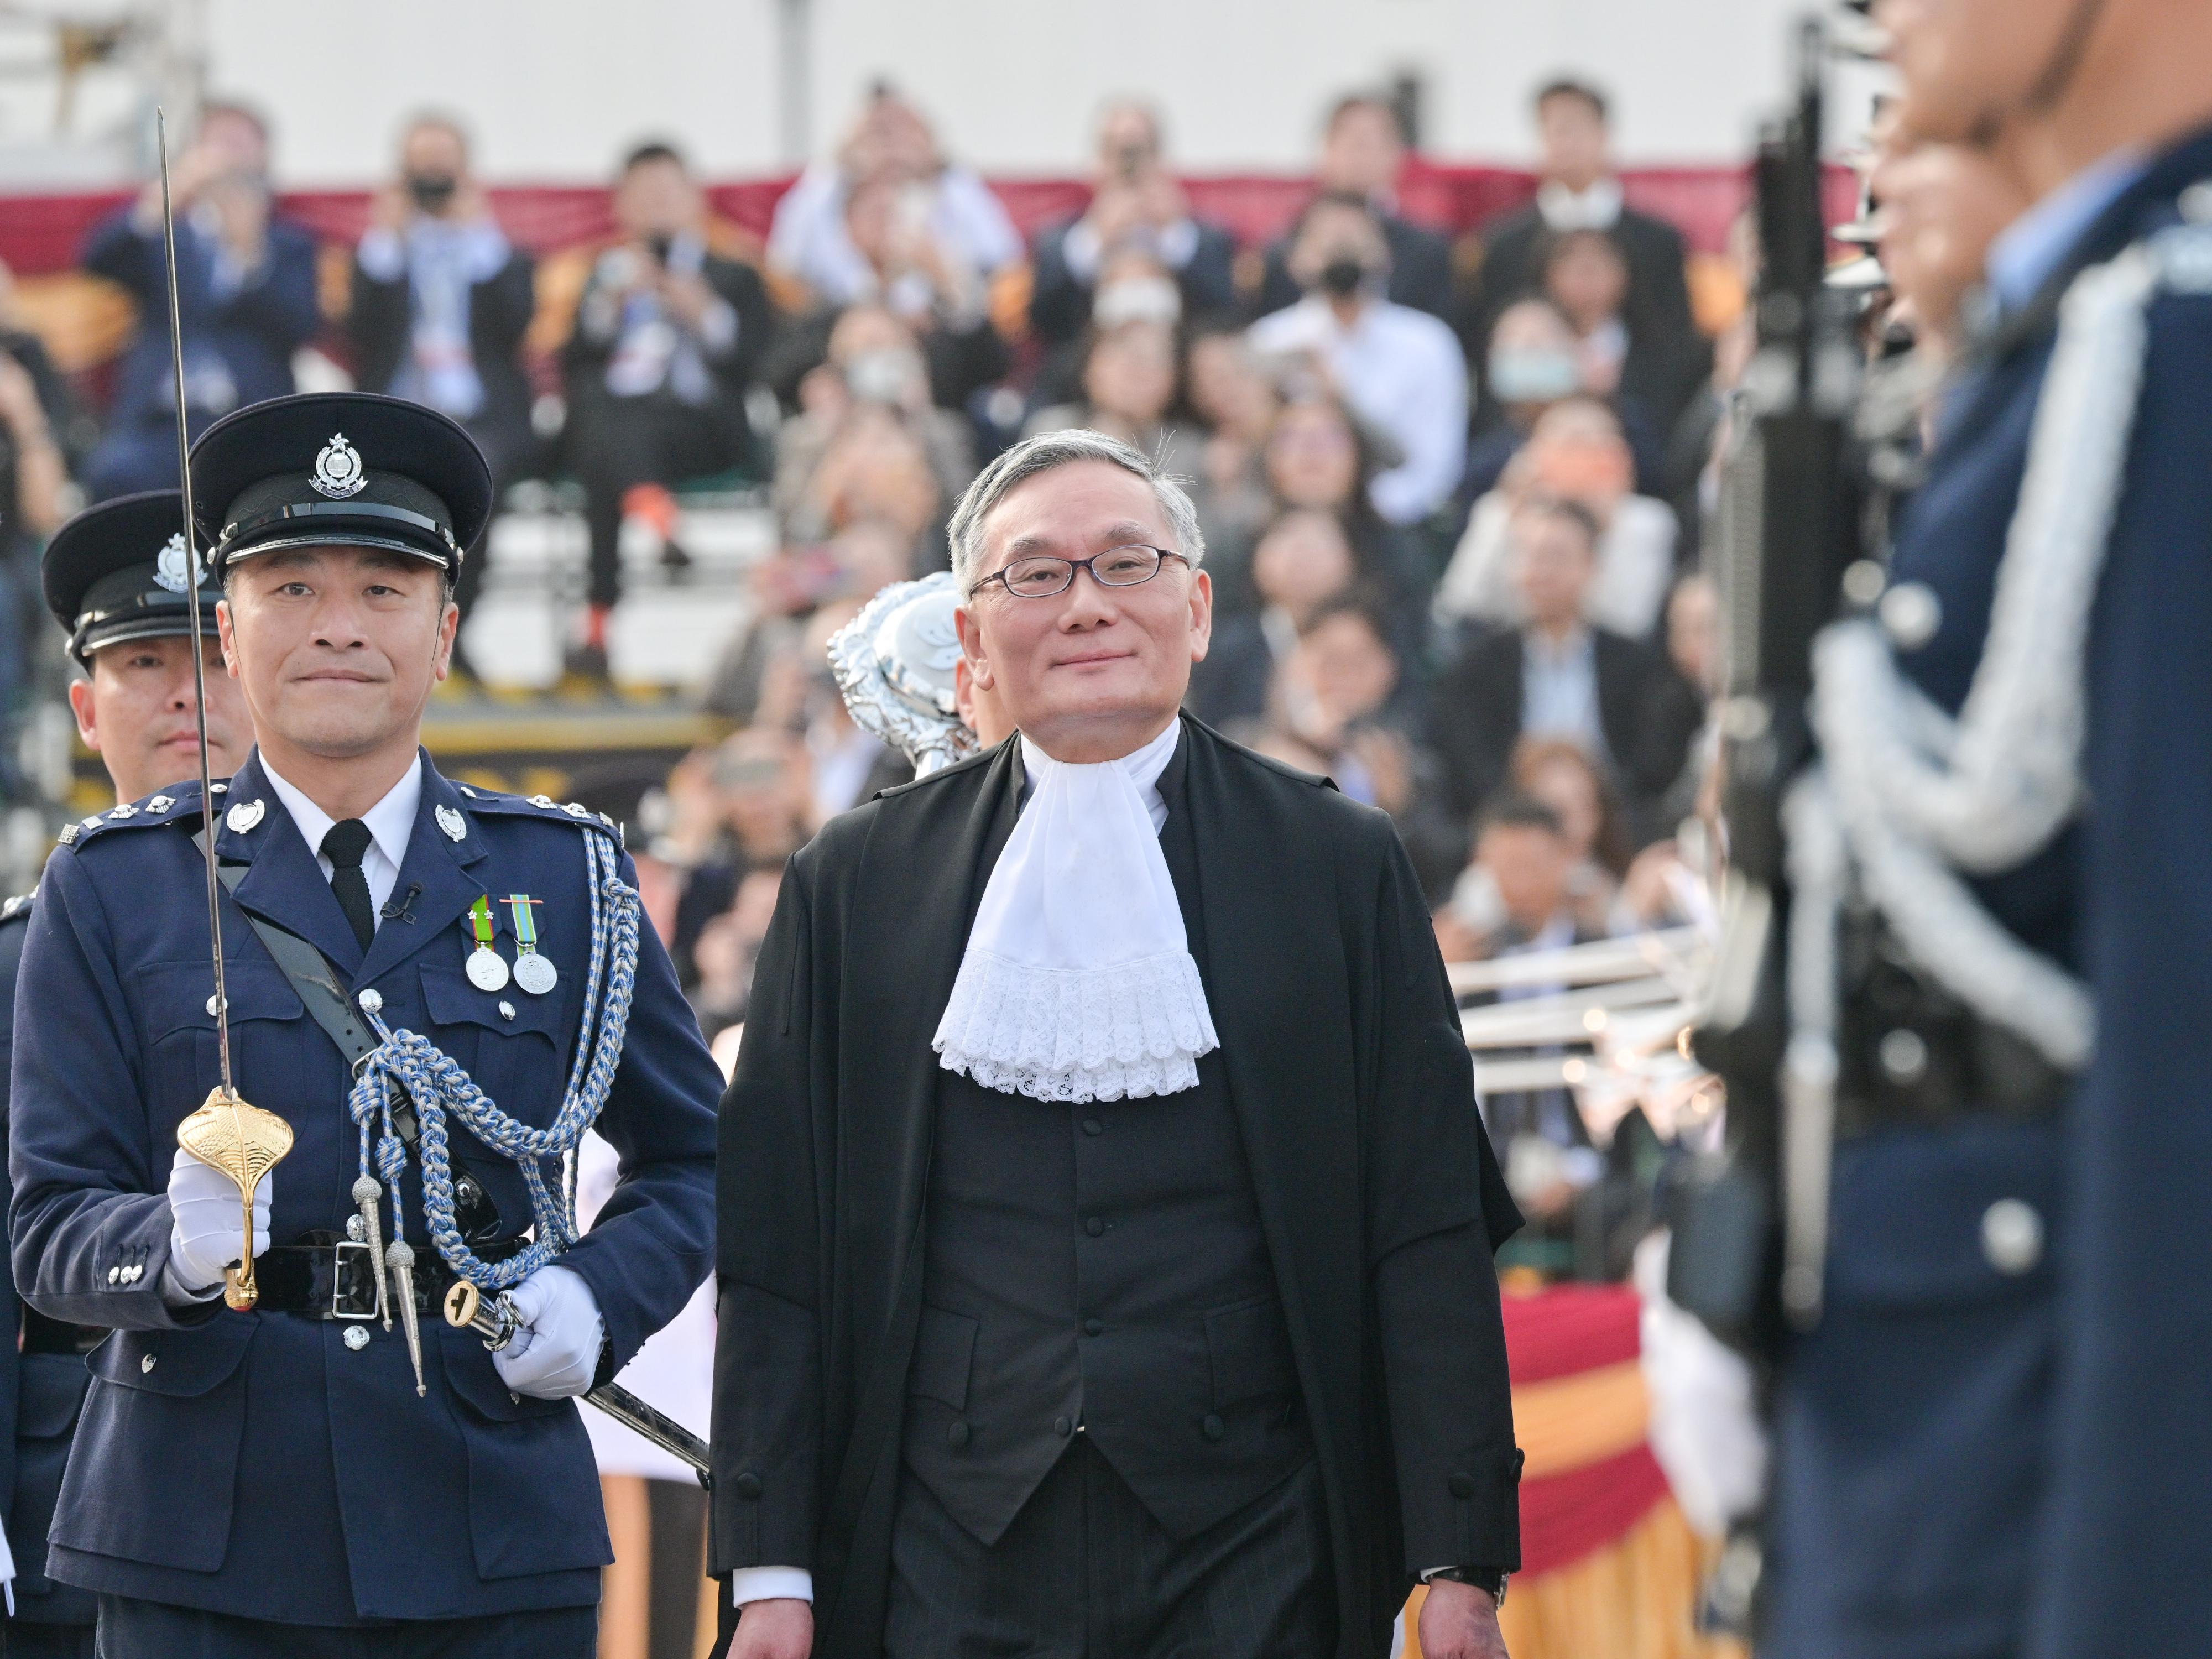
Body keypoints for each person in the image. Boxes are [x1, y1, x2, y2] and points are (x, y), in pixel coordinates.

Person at [712, 429, 1522, 1659]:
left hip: (1263, 1541)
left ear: (1195, 611)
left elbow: (1423, 1227)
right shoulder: (854, 882)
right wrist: (767, 1569)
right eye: (1035, 575)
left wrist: (1457, 1558)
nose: (1085, 605)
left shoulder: (1336, 866)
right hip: (940, 1545)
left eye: (1126, 565)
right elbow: (779, 1251)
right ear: (971, 639)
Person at [6, 392, 721, 1656]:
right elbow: (46, 1216)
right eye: (291, 586)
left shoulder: (564, 875)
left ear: (445, 633)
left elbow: (700, 1156)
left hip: (488, 1511)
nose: (338, 625)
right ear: (229, 631)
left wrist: (599, 1294)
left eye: (385, 588)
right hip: (201, 1531)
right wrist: (165, 1244)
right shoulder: (113, 885)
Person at [1756, 0, 2212, 1654]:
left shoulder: (2164, 361)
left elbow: (2184, 1065)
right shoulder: (2084, 349)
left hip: (2041, 1529)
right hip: (1936, 1490)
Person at [0, 492, 252, 1657]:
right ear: (85, 708)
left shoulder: (379, 922)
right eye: (146, 662)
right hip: (73, 1493)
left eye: (211, 655)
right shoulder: (16, 958)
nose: (187, 695)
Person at [561, 141, 774, 682]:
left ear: (694, 200)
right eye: (643, 195)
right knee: (605, 420)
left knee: (603, 437)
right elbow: (571, 362)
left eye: (667, 193)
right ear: (622, 206)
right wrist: (607, 310)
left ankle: (596, 622)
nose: (656, 206)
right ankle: (654, 514)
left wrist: (705, 314)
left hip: (695, 426)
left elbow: (761, 363)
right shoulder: (602, 275)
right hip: (615, 424)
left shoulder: (733, 275)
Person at [348, 113, 537, 667]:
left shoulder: (495, 251)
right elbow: (358, 330)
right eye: (421, 170)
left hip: (478, 414)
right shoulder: (382, 253)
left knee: (478, 476)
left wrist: (478, 233)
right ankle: (388, 630)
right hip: (396, 410)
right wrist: (389, 238)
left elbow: (515, 327)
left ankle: (451, 625)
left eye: (443, 169)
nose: (432, 183)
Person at [78, 103, 320, 501]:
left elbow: (301, 326)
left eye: (240, 144)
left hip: (249, 419)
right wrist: (165, 195)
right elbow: (99, 259)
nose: (226, 156)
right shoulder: (166, 235)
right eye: (217, 142)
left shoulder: (288, 243)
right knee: (112, 474)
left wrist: (249, 258)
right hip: (160, 421)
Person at [1428, 494, 1698, 838]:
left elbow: (1653, 769)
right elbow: (1470, 773)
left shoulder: (1639, 667)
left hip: (1617, 833)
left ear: (1592, 565)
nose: (1541, 571)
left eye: (1557, 556)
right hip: (1511, 831)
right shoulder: (1474, 671)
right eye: (1527, 555)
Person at [1248, 194, 1468, 529]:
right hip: (1286, 524)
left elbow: (1434, 465)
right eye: (1328, 243)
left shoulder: (1428, 343)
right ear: (1296, 259)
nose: (1342, 253)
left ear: (1385, 255)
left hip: (1396, 528)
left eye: (1355, 241)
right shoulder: (1269, 341)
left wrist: (1364, 520)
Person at [1467, 79, 1695, 367]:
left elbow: (1675, 345)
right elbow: (1487, 347)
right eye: (1556, 131)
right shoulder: (1504, 245)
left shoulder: (1657, 241)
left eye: (1578, 129)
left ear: (1604, 135)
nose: (1567, 144)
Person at [1434, 395, 1678, 641]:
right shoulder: (1499, 510)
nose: (1578, 460)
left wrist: (1605, 531)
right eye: (1567, 447)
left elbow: (1629, 621)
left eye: (1593, 449)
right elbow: (1462, 606)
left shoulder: (1646, 521)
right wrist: (1511, 519)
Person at [1029, 101, 1238, 349]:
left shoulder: (1205, 240)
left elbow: (1226, 318)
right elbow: (1045, 324)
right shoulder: (1059, 243)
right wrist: (1094, 241)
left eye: (1139, 150)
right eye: (1116, 151)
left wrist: (1174, 235)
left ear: (1160, 160)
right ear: (1098, 163)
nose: (1128, 164)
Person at [1255, 94, 1455, 322]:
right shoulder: (1283, 250)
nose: (1366, 156)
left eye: (1380, 144)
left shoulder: (1427, 252)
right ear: (1327, 149)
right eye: (1356, 144)